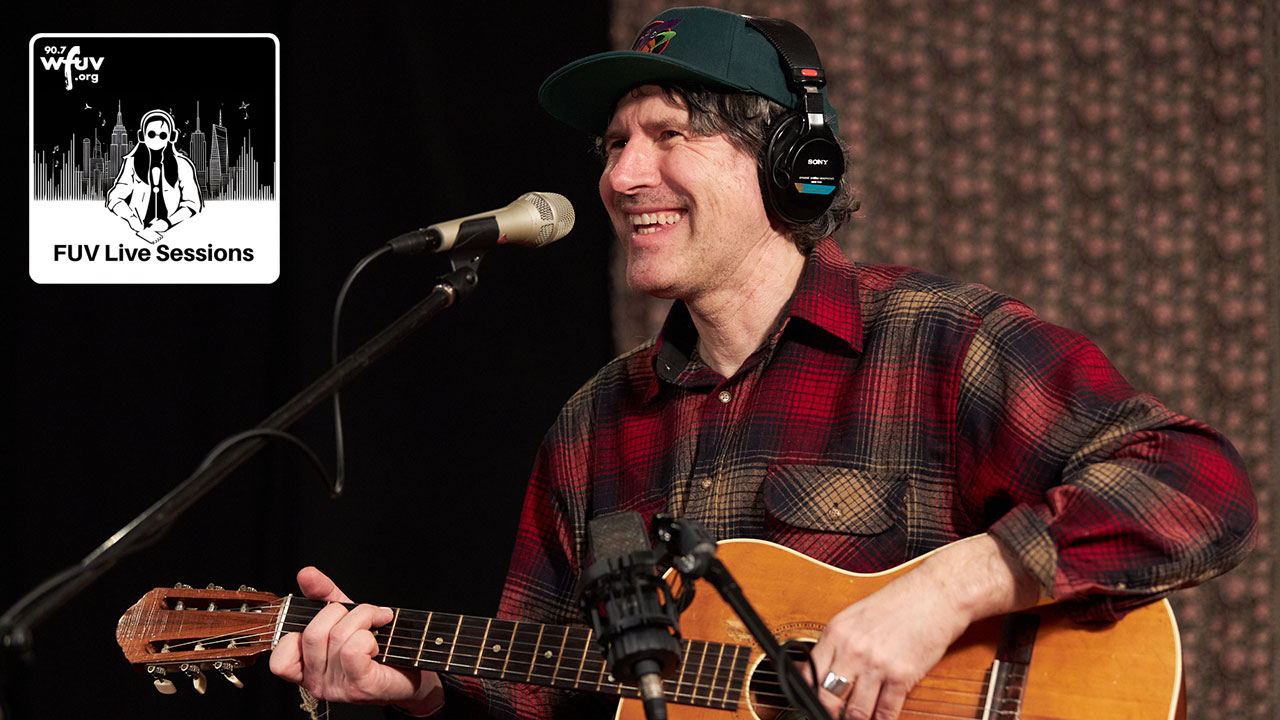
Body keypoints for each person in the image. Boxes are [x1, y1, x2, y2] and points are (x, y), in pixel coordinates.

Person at [268, 7, 1257, 720]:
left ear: (789, 164)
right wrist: (422, 688)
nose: (621, 176)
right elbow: (537, 693)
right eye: (612, 144)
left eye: (668, 134)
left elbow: (1198, 485)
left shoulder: (938, 342)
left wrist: (946, 590)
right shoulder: (592, 426)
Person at [106, 108, 203, 244]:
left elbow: (193, 203)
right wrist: (131, 218)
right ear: (142, 136)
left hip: (175, 231)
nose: (157, 139)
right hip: (138, 232)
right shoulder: (131, 162)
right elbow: (115, 197)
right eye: (151, 134)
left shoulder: (183, 164)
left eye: (162, 135)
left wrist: (169, 222)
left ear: (172, 136)